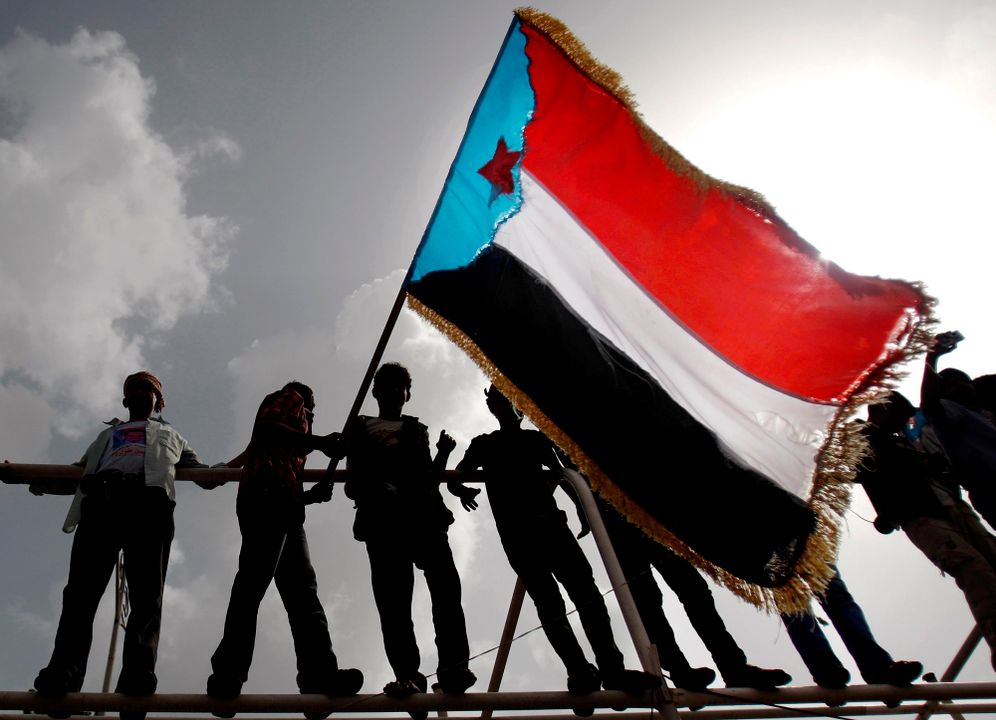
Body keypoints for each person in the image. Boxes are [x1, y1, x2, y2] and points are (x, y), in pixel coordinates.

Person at [450, 385, 659, 702]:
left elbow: (565, 472)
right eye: (499, 400)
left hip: (551, 526)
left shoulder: (535, 439)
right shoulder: (484, 444)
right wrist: (462, 490)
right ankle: (579, 670)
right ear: (493, 406)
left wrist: (582, 510)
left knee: (587, 595)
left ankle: (611, 669)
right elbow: (456, 476)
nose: (507, 406)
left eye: (510, 400)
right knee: (550, 604)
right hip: (519, 536)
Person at [33, 372, 205, 720]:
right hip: (101, 502)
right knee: (80, 595)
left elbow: (202, 473)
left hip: (149, 503)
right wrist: (34, 480)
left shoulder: (172, 435)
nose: (142, 393)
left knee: (146, 596)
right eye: (134, 390)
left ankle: (136, 677)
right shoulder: (106, 436)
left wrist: (241, 464)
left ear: (160, 401)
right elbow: (75, 474)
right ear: (125, 401)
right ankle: (64, 675)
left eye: (149, 389)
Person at [207, 381, 363, 715]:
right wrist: (318, 442)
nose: (312, 412)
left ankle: (316, 678)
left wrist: (309, 495)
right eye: (312, 406)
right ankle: (230, 674)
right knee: (260, 583)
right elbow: (265, 432)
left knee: (300, 592)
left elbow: (257, 448)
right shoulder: (293, 401)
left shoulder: (288, 432)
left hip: (283, 500)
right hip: (270, 493)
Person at [344, 363, 476, 706]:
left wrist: (444, 455)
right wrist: (378, 486)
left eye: (398, 385)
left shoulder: (418, 430)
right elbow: (353, 483)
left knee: (446, 589)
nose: (391, 390)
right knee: (394, 601)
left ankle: (453, 668)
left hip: (425, 516)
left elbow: (428, 477)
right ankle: (408, 674)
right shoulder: (359, 428)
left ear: (407, 394)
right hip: (382, 520)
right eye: (385, 384)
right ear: (375, 391)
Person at [857, 390, 996, 672]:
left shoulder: (899, 441)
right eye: (900, 416)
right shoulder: (864, 437)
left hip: (948, 504)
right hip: (920, 515)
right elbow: (863, 467)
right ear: (883, 411)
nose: (904, 423)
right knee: (976, 573)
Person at [597, 500, 792, 692]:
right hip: (613, 523)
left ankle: (732, 667)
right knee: (648, 601)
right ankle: (680, 670)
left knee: (693, 589)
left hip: (646, 513)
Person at [780, 566, 922, 688]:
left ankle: (876, 667)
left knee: (835, 596)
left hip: (800, 539)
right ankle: (827, 670)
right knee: (795, 607)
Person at [920, 331, 996, 528]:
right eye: (953, 385)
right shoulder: (951, 411)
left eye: (965, 381)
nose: (962, 386)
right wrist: (932, 358)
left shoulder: (984, 416)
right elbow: (930, 405)